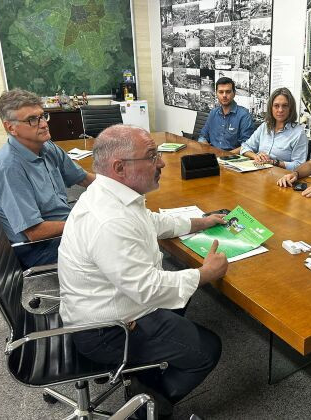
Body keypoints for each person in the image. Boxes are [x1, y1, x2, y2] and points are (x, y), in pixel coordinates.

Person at [58, 124, 228, 417]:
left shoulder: (110, 193)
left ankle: (142, 374)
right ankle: (146, 407)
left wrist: (200, 221)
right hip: (107, 330)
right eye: (152, 156)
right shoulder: (109, 220)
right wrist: (205, 274)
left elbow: (149, 221)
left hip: (111, 307)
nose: (161, 162)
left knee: (181, 298)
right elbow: (147, 288)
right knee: (207, 350)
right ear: (120, 167)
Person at [0, 88, 95, 268]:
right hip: (38, 248)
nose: (43, 124)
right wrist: (84, 222)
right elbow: (34, 232)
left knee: (116, 227)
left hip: (63, 226)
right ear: (10, 127)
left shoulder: (45, 146)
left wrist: (120, 187)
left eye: (43, 116)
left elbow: (83, 178)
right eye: (32, 120)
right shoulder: (8, 167)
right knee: (115, 238)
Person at [240, 87, 308, 171]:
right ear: (271, 108)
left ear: (290, 108)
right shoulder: (265, 126)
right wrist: (256, 156)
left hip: (281, 178)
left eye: (285, 106)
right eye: (276, 106)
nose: (280, 110)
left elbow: (299, 165)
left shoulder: (298, 133)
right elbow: (245, 147)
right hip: (259, 173)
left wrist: (274, 162)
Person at [198, 76, 255, 152]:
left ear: (234, 93)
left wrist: (225, 156)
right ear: (216, 94)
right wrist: (209, 151)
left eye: (228, 92)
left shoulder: (244, 115)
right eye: (221, 92)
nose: (224, 95)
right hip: (212, 155)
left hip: (232, 159)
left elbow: (247, 145)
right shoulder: (213, 113)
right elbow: (203, 136)